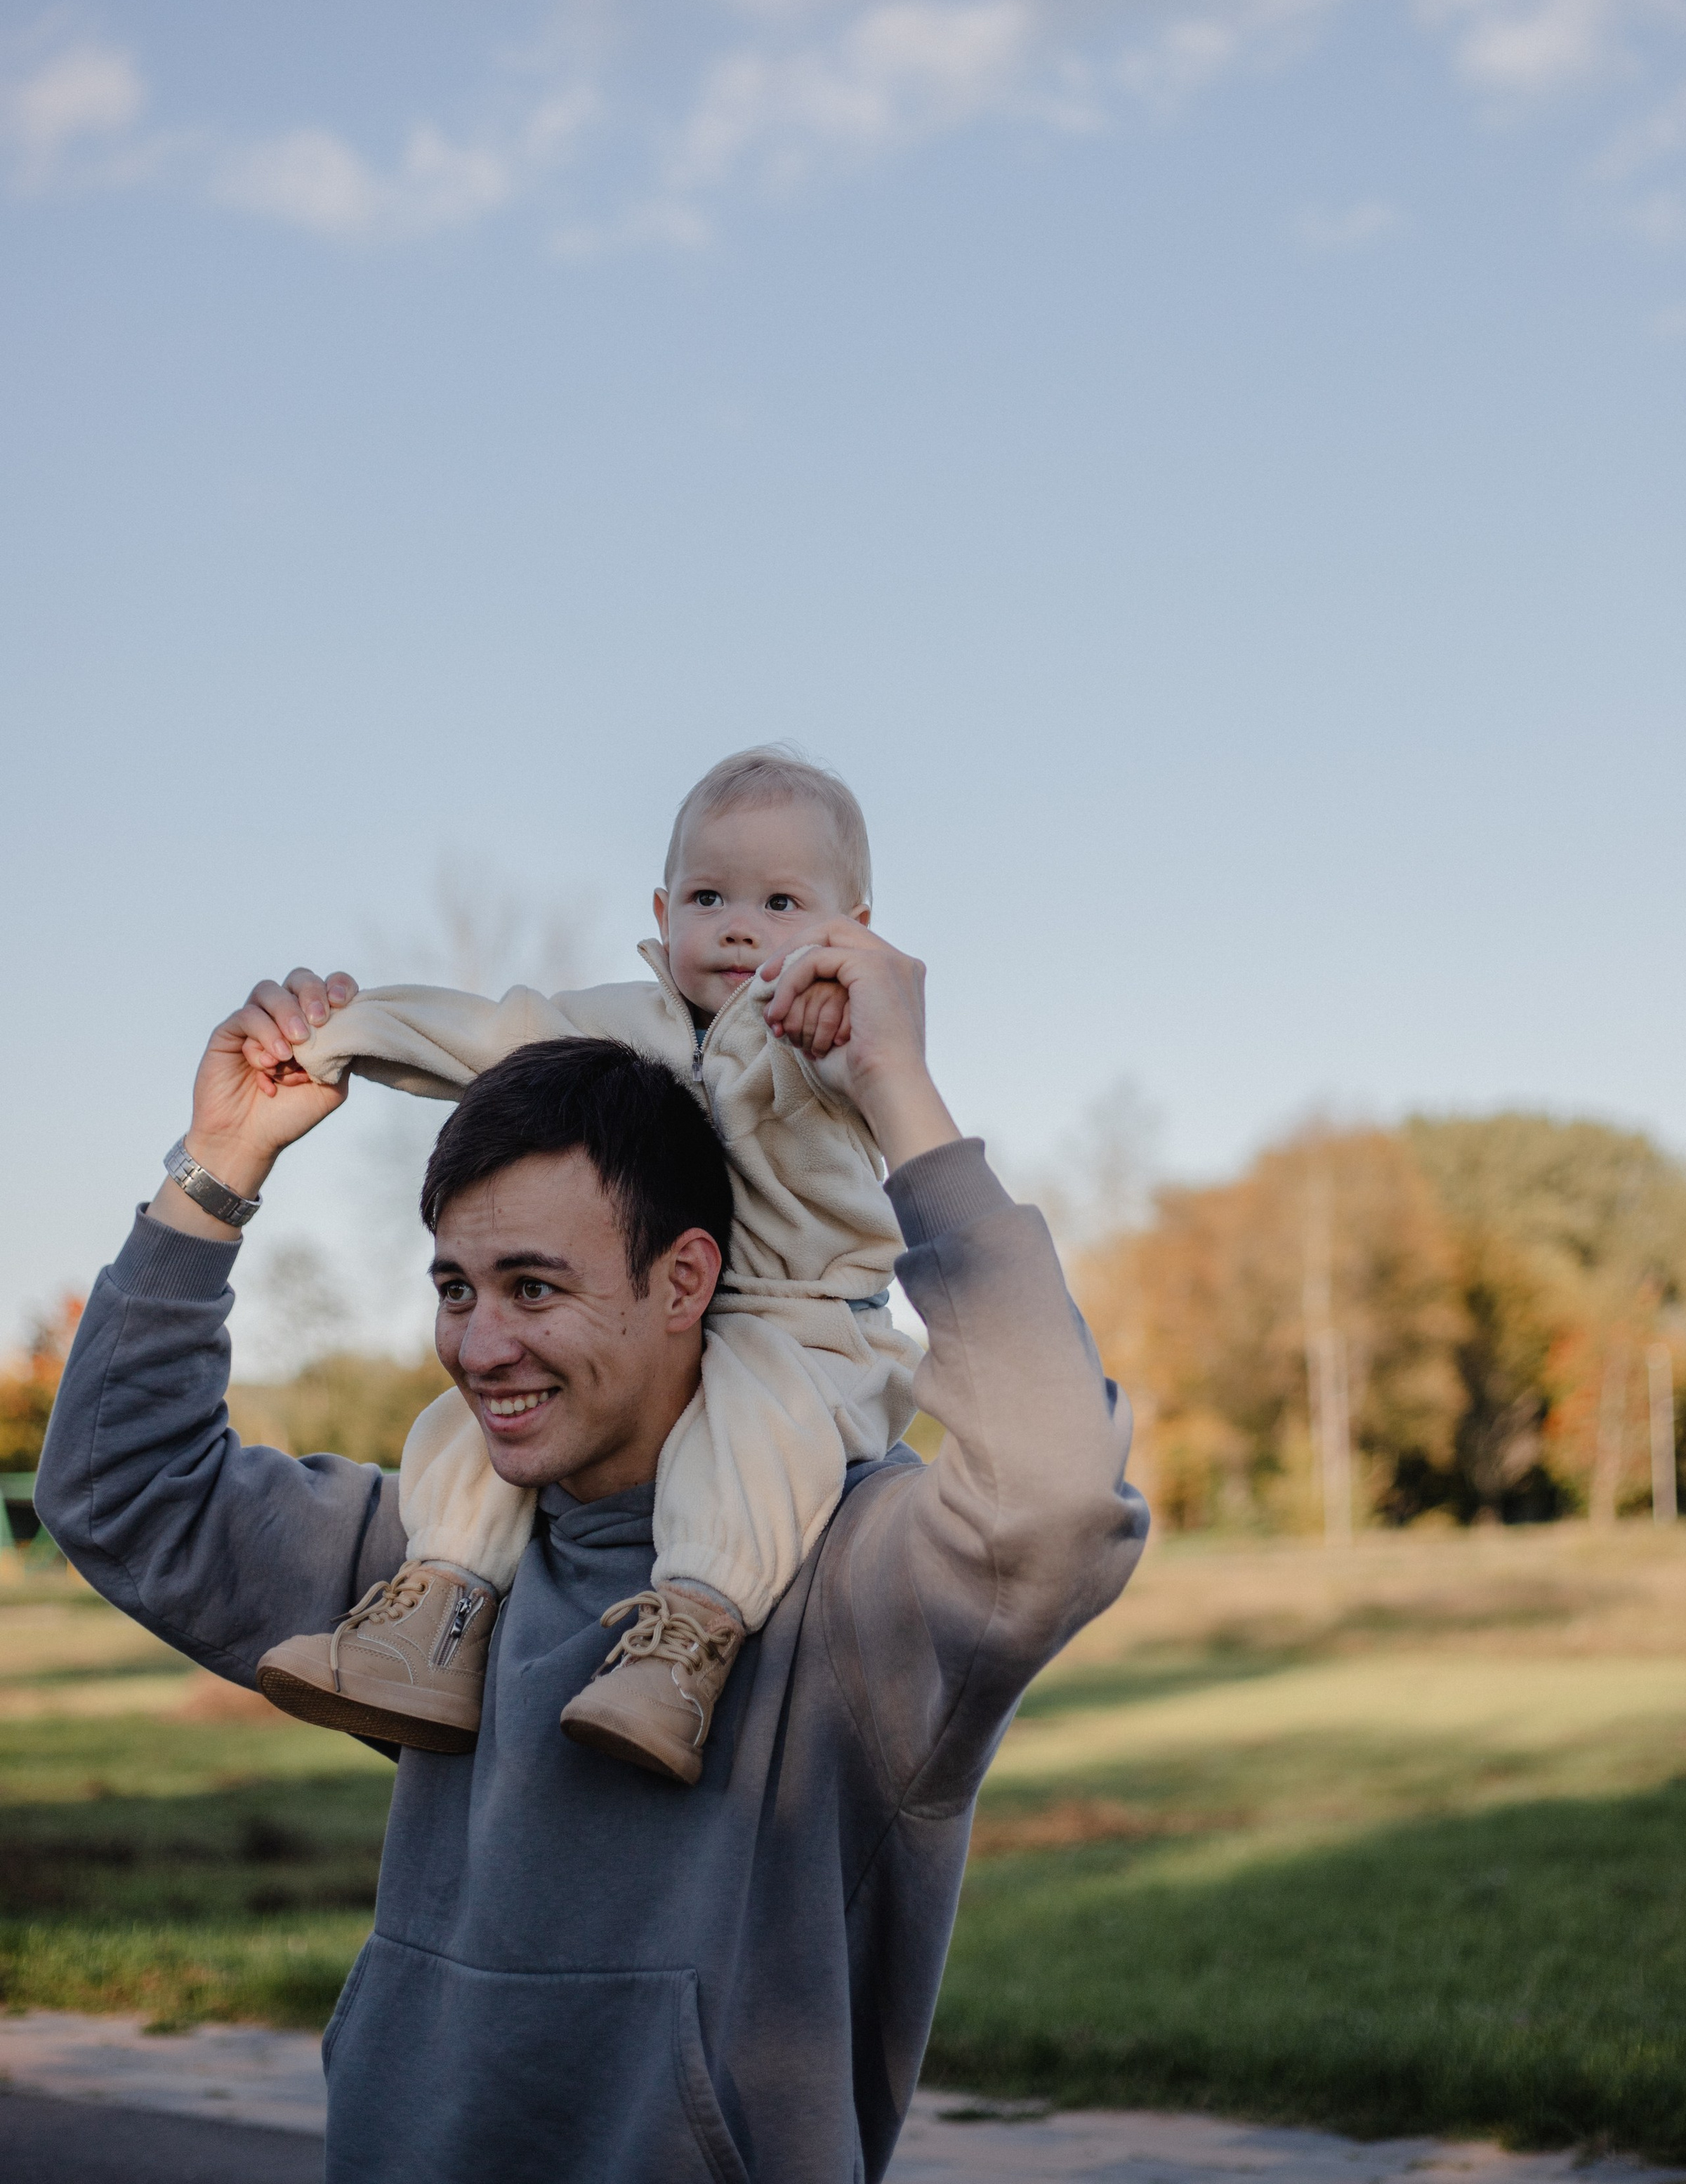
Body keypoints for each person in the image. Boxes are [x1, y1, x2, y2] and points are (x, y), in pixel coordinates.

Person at [38, 911, 1146, 2184]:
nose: (480, 1347)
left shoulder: (854, 1585)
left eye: (534, 1287)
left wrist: (900, 1096)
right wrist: (218, 1165)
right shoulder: (431, 1564)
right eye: (455, 1288)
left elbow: (1059, 1504)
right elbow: (123, 1489)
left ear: (685, 1282)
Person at [254, 747, 921, 1783]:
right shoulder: (619, 1025)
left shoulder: (823, 1035)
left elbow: (882, 1075)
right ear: (663, 911)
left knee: (756, 1423)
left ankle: (687, 1639)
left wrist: (853, 1012)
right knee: (481, 1415)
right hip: (665, 1319)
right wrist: (335, 1033)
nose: (741, 926)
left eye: (783, 903)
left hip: (811, 1323)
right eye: (710, 896)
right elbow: (486, 1038)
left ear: (853, 930)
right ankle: (437, 1608)